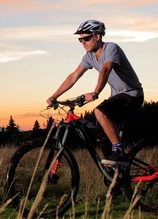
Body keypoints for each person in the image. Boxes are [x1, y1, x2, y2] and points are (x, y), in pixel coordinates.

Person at [46, 20, 144, 164]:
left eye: (86, 38)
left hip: (132, 95)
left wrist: (96, 92)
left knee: (99, 111)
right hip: (118, 97)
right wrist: (55, 96)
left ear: (97, 36)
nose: (82, 42)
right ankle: (115, 174)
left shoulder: (111, 48)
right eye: (80, 39)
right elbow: (74, 76)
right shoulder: (89, 57)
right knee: (100, 135)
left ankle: (118, 150)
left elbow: (106, 69)